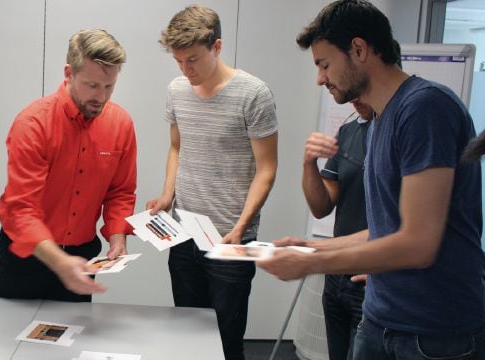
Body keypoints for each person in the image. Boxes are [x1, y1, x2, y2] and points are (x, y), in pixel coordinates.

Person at [257, 1, 485, 359]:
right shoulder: (381, 119)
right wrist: (310, 247)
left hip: (432, 333)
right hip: (382, 318)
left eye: (325, 64)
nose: (320, 78)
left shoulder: (425, 108)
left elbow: (418, 244)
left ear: (359, 50)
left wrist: (311, 263)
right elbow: (386, 228)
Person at [147, 5, 278, 360]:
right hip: (183, 234)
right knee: (188, 338)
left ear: (217, 47)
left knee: (226, 342)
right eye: (178, 61)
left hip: (230, 240)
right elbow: (177, 146)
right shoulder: (177, 90)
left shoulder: (253, 94)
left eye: (193, 60)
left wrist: (241, 226)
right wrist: (166, 195)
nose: (185, 70)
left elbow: (267, 169)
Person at [0, 29, 137, 302]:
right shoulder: (33, 124)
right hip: (28, 255)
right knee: (12, 337)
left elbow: (120, 191)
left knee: (74, 336)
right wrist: (59, 262)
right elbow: (21, 210)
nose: (101, 97)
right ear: (69, 73)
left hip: (82, 254)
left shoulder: (121, 124)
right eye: (92, 85)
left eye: (109, 86)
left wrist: (118, 236)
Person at [299, 99, 373, 360]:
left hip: (372, 276)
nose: (355, 101)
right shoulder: (348, 131)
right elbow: (321, 207)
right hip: (337, 275)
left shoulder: (393, 134)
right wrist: (309, 163)